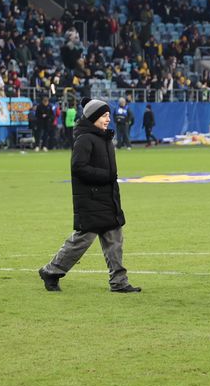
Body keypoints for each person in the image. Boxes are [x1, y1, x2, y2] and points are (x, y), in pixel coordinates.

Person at [38, 97, 141, 293]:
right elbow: (78, 168)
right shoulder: (85, 139)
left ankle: (119, 282)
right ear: (93, 117)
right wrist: (106, 176)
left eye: (109, 115)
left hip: (107, 199)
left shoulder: (103, 137)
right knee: (81, 241)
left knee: (115, 241)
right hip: (92, 200)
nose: (108, 119)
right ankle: (51, 271)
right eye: (104, 115)